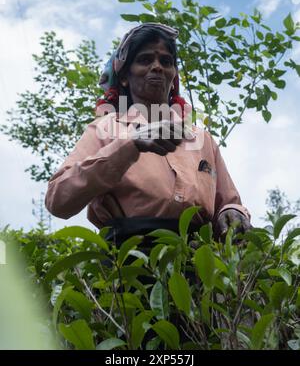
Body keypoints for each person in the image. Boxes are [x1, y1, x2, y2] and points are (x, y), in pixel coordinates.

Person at [45, 23, 251, 245]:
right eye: (144, 60)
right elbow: (58, 200)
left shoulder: (201, 139)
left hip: (200, 267)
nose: (157, 67)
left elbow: (229, 202)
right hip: (130, 263)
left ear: (174, 76)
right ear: (124, 76)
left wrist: (232, 212)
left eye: (166, 61)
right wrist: (130, 145)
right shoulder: (106, 129)